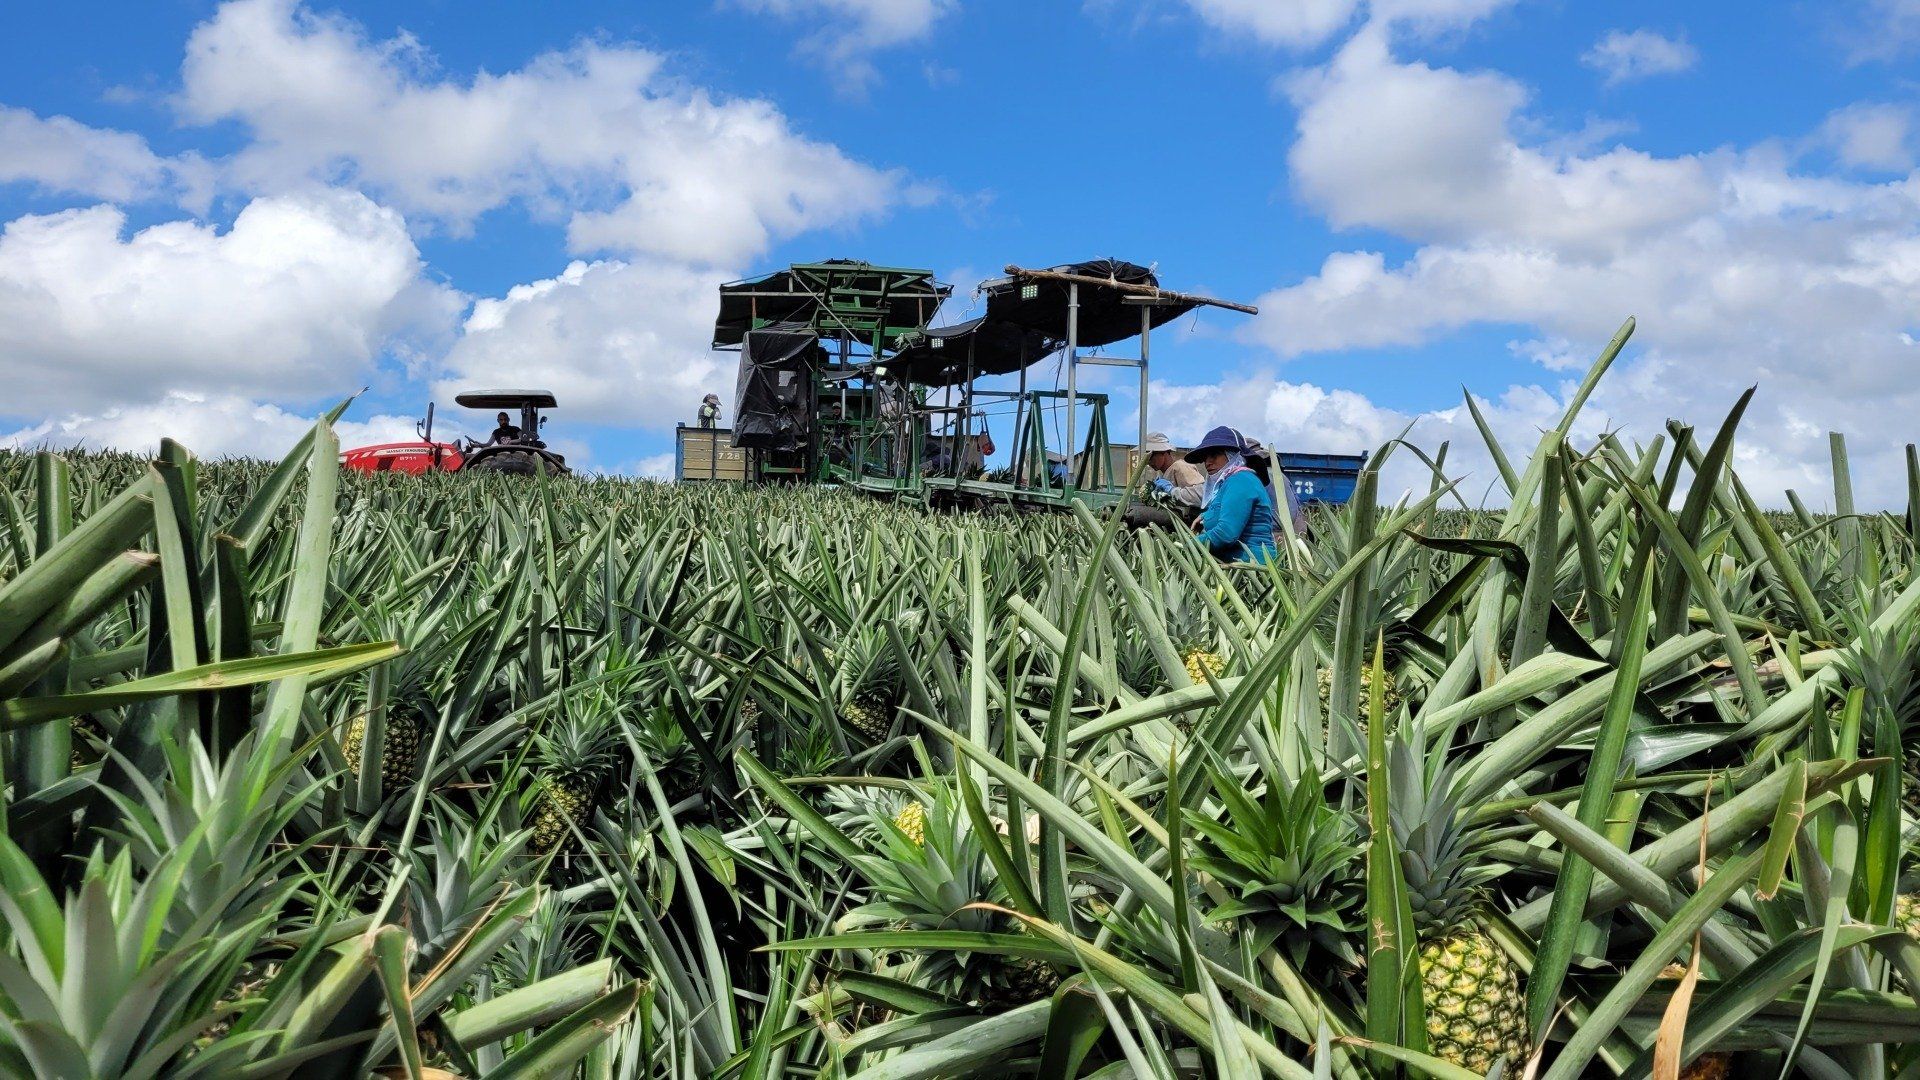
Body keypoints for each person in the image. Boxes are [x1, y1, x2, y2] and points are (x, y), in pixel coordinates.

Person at [1185, 426, 1278, 563]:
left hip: (1252, 566)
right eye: (1205, 458)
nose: (1208, 462)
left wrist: (1187, 545)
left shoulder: (1240, 480)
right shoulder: (1230, 482)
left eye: (1214, 455)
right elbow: (1231, 510)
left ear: (1231, 455)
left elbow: (1226, 534)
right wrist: (1206, 516)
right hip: (1237, 565)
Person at [1242, 437, 1309, 539]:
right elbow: (1298, 505)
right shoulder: (1282, 477)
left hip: (1276, 535)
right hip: (1297, 533)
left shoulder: (1256, 477)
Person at [1140, 432, 1205, 507]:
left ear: (1163, 452)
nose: (1148, 462)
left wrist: (1172, 490)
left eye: (1151, 457)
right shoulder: (1161, 474)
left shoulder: (1181, 467)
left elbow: (1201, 496)